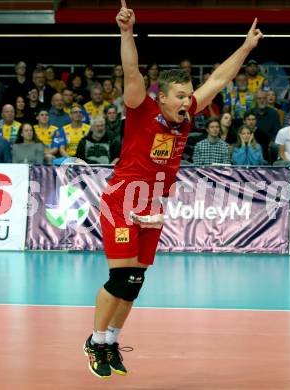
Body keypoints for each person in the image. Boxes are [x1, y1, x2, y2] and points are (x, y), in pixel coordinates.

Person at [83, 0, 263, 379]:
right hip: (121, 203)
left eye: (188, 96)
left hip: (152, 208)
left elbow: (218, 80)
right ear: (161, 97)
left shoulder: (186, 115)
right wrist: (127, 32)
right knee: (120, 278)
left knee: (135, 282)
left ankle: (112, 341)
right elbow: (130, 69)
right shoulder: (141, 108)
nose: (187, 101)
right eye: (180, 96)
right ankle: (95, 341)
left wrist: (245, 48)